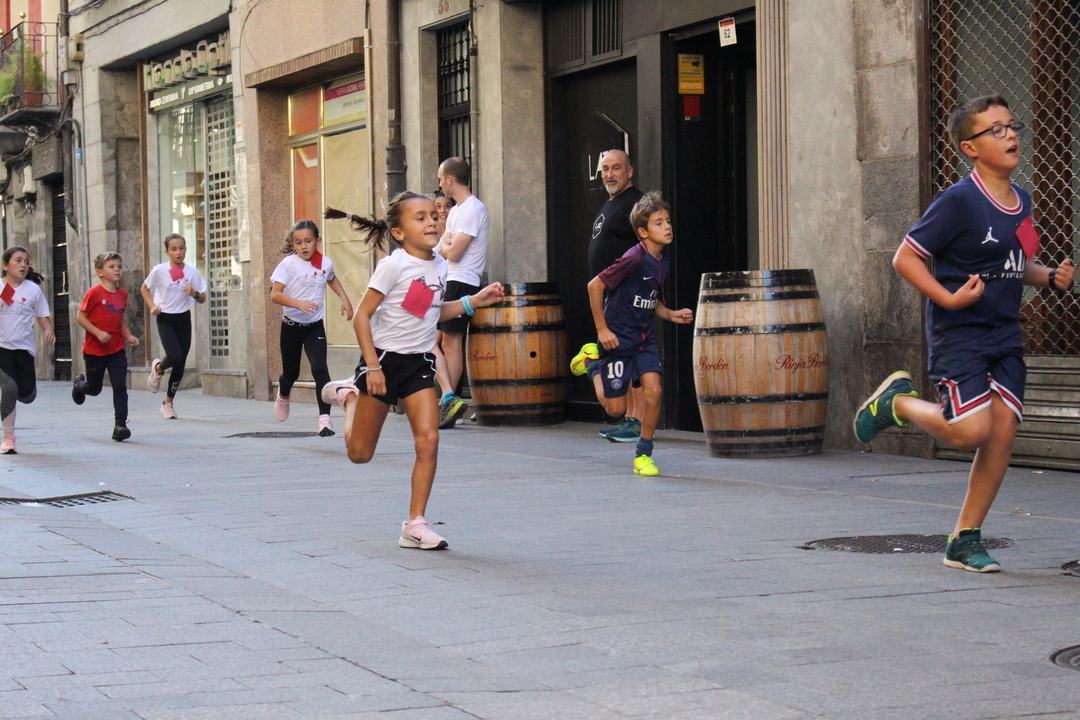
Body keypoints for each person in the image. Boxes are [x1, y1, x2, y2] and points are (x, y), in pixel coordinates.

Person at [854, 95, 1076, 573]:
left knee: (1001, 435)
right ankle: (897, 403)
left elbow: (1015, 265)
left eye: (1011, 126)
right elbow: (905, 258)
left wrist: (1050, 277)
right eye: (995, 130)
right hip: (960, 334)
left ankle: (964, 539)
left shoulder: (1022, 201)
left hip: (1004, 335)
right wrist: (949, 298)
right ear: (969, 148)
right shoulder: (958, 201)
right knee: (971, 431)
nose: (1010, 134)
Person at [320, 193, 503, 550]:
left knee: (429, 439)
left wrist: (473, 302)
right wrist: (373, 367)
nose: (432, 221)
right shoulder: (393, 265)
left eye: (434, 215)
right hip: (383, 362)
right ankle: (350, 398)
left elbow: (430, 311)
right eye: (420, 218)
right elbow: (361, 317)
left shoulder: (439, 265)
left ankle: (415, 524)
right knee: (359, 454)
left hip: (418, 363)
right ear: (399, 232)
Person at [570, 191, 694, 477]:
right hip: (615, 338)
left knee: (654, 391)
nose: (667, 227)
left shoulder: (662, 261)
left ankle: (643, 455)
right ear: (643, 232)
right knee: (615, 409)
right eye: (659, 223)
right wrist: (602, 330)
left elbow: (651, 300)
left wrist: (670, 314)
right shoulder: (633, 258)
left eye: (667, 221)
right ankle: (591, 362)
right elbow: (594, 286)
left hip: (643, 338)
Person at [270, 220, 354, 436]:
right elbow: (275, 294)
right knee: (291, 373)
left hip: (314, 327)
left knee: (319, 368)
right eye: (298, 243)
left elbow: (332, 279)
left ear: (318, 241)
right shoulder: (288, 264)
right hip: (291, 327)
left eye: (308, 241)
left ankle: (325, 419)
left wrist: (344, 298)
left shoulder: (325, 263)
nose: (303, 246)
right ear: (293, 245)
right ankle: (283, 394)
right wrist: (297, 304)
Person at [587, 149, 646, 443]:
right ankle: (629, 418)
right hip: (610, 297)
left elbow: (648, 247)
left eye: (616, 168)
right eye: (605, 169)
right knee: (622, 356)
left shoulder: (637, 204)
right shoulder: (612, 203)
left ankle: (636, 421)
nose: (609, 174)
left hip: (628, 295)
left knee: (633, 358)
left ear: (630, 171)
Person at [434, 157, 489, 429]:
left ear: (451, 180)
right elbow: (441, 245)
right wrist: (446, 246)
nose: (440, 184)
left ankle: (449, 401)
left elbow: (453, 251)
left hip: (463, 281)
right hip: (450, 279)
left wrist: (446, 246)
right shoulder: (456, 211)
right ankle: (447, 398)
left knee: (451, 342)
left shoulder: (473, 209)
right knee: (438, 340)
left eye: (441, 178)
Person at [72, 252, 140, 441]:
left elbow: (119, 318)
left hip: (116, 349)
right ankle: (79, 385)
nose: (117, 270)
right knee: (94, 389)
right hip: (95, 350)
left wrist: (128, 335)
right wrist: (98, 333)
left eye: (119, 266)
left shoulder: (122, 294)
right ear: (100, 272)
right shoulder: (94, 293)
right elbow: (80, 317)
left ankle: (120, 426)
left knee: (120, 386)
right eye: (112, 267)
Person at [142, 233, 207, 419]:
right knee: (174, 355)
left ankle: (168, 404)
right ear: (167, 252)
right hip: (165, 317)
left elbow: (202, 298)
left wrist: (194, 293)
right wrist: (152, 306)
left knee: (180, 363)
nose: (178, 252)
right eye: (174, 249)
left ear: (186, 249)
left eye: (182, 248)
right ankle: (158, 369)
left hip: (183, 318)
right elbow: (144, 288)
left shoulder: (192, 272)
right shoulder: (159, 270)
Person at [0, 246, 55, 454]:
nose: (23, 265)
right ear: (5, 266)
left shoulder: (32, 290)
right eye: (18, 261)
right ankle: (9, 438)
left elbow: (42, 315)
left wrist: (48, 330)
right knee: (10, 387)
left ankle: (10, 399)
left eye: (26, 261)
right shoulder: (0, 287)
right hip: (1, 347)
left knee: (27, 394)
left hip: (23, 348)